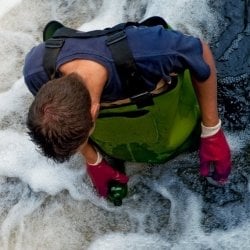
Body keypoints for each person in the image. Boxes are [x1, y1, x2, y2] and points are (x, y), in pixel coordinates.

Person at [23, 19, 231, 198]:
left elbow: (201, 52)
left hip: (140, 52)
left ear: (94, 112)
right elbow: (58, 122)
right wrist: (93, 160)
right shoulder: (36, 71)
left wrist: (212, 129)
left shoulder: (148, 54)